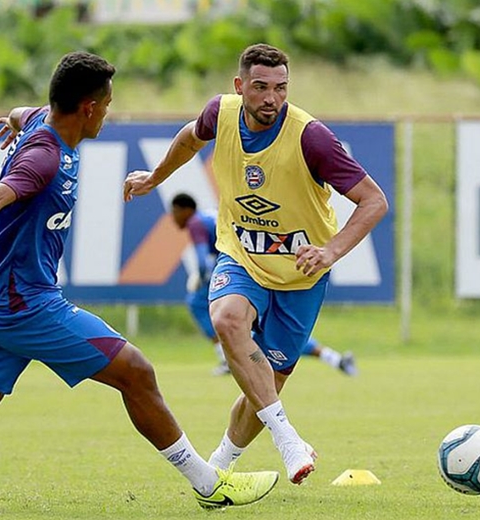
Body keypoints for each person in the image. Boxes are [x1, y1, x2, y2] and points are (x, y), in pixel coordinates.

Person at [0, 51, 278, 513]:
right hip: (21, 302)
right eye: (107, 106)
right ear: (88, 108)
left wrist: (13, 123)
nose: (108, 115)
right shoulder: (45, 157)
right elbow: (0, 193)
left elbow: (18, 112)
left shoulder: (36, 120)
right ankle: (211, 485)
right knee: (137, 373)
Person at [125, 43, 388, 485]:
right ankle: (288, 440)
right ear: (240, 86)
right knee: (227, 320)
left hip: (300, 277)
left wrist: (330, 251)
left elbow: (373, 201)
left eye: (281, 88)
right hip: (241, 255)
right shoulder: (220, 114)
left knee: (266, 385)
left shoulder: (312, 137)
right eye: (261, 87)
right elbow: (190, 137)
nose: (272, 98)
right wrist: (155, 178)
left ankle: (221, 463)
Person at [170, 192, 357, 377]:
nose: (173, 218)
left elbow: (204, 262)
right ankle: (334, 358)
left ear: (184, 210)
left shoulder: (195, 223)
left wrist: (202, 277)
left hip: (244, 264)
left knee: (199, 304)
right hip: (263, 259)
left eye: (174, 212)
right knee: (276, 331)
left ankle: (227, 358)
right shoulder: (208, 216)